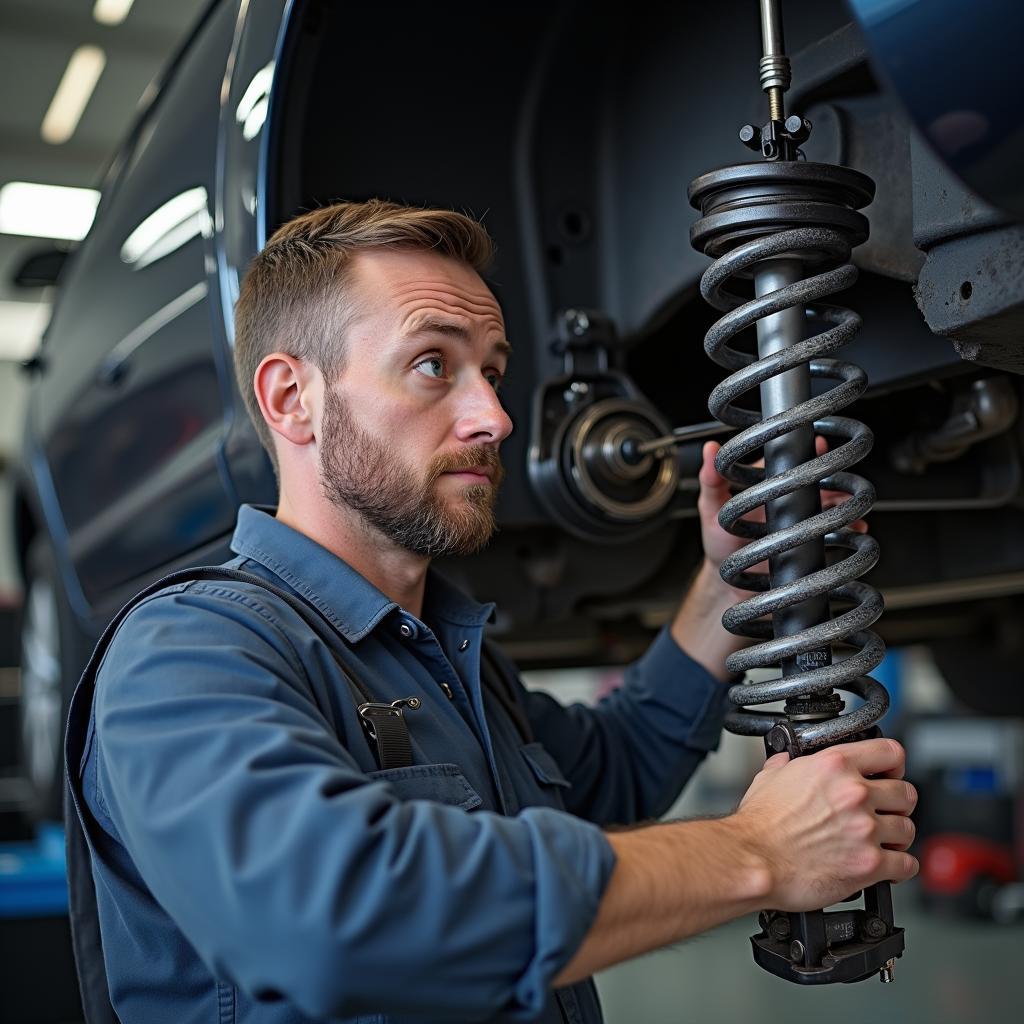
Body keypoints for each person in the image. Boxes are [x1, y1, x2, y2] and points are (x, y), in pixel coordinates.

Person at [73, 199, 918, 1024]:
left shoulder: (441, 658)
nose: (496, 417)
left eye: (494, 372)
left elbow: (610, 770)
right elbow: (339, 921)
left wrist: (727, 582)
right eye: (434, 364)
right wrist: (758, 852)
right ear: (293, 398)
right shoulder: (188, 648)